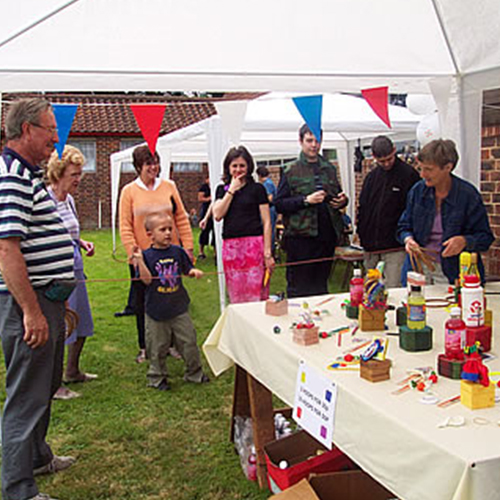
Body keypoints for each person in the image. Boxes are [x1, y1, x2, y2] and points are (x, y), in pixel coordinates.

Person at [0, 98, 76, 500]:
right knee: (26, 396)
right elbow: (7, 250)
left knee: (43, 387)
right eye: (49, 128)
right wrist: (31, 311)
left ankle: (37, 457)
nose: (56, 136)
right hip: (27, 306)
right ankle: (18, 489)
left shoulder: (28, 174)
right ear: (27, 130)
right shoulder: (12, 175)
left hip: (46, 300)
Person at [119, 145, 193, 363]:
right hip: (143, 257)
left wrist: (187, 247)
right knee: (143, 302)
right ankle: (145, 346)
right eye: (148, 163)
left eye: (156, 161)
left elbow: (181, 218)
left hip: (170, 253)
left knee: (171, 298)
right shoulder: (129, 191)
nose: (154, 167)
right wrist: (133, 253)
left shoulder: (169, 186)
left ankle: (171, 344)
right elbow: (125, 224)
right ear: (138, 167)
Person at [397, 139, 494, 285]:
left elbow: (485, 238)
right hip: (418, 269)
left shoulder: (468, 195)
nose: (422, 174)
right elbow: (403, 226)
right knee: (414, 306)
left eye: (429, 169)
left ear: (448, 167)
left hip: (454, 272)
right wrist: (408, 239)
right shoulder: (417, 191)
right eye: (421, 168)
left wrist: (464, 241)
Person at [132, 212, 209, 390]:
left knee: (189, 342)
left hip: (179, 308)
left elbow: (186, 269)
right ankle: (157, 377)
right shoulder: (147, 255)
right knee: (157, 347)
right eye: (162, 230)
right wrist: (139, 261)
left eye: (170, 229)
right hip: (156, 311)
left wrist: (193, 272)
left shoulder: (177, 251)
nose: (168, 233)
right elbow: (146, 280)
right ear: (150, 234)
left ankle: (194, 373)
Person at [46, 145, 97, 400]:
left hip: (75, 266)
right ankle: (54, 385)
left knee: (80, 322)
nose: (79, 179)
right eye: (74, 174)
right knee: (59, 327)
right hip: (56, 270)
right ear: (58, 174)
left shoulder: (70, 200)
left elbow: (69, 233)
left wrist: (81, 242)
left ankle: (72, 371)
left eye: (80, 174)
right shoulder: (45, 201)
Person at [274, 124, 348, 298]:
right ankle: (297, 322)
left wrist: (343, 200)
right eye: (309, 140)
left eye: (317, 140)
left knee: (320, 286)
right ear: (301, 141)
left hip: (326, 236)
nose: (314, 145)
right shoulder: (290, 169)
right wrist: (306, 200)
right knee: (299, 287)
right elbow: (279, 204)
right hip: (300, 238)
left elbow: (336, 195)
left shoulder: (329, 168)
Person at [213, 146, 274, 304]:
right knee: (236, 296)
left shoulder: (257, 189)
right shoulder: (221, 189)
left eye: (242, 166)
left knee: (257, 293)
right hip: (232, 249)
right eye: (234, 166)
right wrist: (231, 190)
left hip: (254, 246)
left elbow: (267, 221)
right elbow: (218, 214)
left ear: (249, 167)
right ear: (228, 167)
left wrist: (267, 252)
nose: (238, 169)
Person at [356, 136, 420, 287]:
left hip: (394, 246)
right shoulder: (371, 178)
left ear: (394, 151)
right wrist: (361, 233)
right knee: (370, 290)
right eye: (381, 161)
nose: (386, 164)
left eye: (389, 159)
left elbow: (413, 211)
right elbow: (363, 207)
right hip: (370, 246)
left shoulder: (409, 175)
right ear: (374, 157)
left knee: (393, 289)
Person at [256, 166, 278, 251]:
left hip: (270, 209)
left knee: (269, 230)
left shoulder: (267, 184)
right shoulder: (269, 182)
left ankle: (270, 250)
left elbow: (270, 197)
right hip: (270, 209)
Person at [197, 176, 214, 259]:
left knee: (215, 231)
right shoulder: (204, 187)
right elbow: (200, 198)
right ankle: (201, 252)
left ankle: (215, 252)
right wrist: (209, 199)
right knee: (204, 231)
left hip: (215, 211)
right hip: (205, 211)